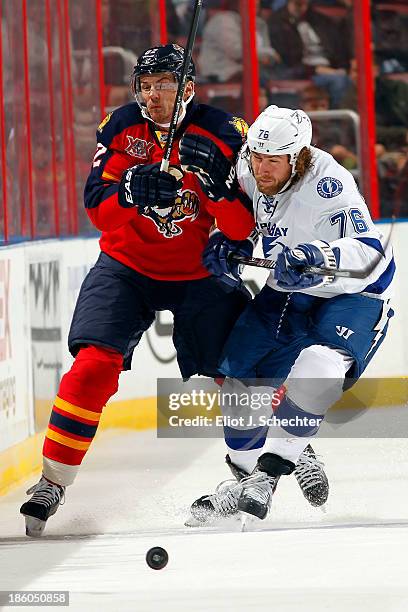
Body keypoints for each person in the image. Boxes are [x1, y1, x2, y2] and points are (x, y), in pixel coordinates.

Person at [19, 43, 257, 537]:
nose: (153, 96)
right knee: (91, 368)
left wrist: (217, 187)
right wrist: (129, 191)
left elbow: (241, 230)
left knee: (245, 370)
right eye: (146, 87)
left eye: (165, 86)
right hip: (126, 267)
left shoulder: (224, 132)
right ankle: (52, 481)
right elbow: (96, 207)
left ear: (188, 88)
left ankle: (272, 459)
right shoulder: (120, 126)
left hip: (199, 271)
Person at [185, 105, 394, 522]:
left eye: (272, 161)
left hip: (350, 293)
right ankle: (256, 471)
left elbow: (372, 257)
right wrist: (229, 244)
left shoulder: (329, 183)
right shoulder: (251, 169)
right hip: (288, 289)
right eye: (256, 158)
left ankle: (271, 469)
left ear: (297, 157)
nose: (261, 169)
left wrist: (315, 255)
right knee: (239, 377)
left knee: (319, 366)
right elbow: (238, 220)